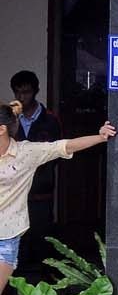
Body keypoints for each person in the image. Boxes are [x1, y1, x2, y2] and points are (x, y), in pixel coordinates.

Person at [0, 101, 114, 295]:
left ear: (2, 129)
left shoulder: (26, 152)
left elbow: (63, 146)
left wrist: (101, 137)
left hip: (6, 237)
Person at [10, 70, 63, 272]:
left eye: (27, 92)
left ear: (36, 91)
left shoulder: (50, 120)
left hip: (41, 193)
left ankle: (44, 293)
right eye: (18, 93)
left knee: (42, 244)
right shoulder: (10, 119)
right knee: (17, 245)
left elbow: (57, 154)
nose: (22, 97)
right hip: (15, 193)